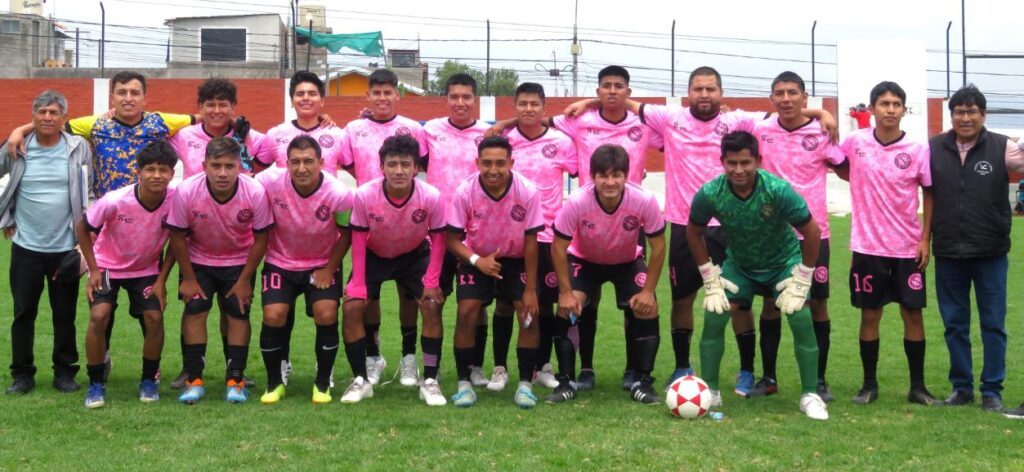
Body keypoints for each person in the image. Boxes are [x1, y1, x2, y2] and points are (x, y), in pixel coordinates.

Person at [565, 67, 833, 393]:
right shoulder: (669, 117)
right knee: (683, 298)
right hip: (684, 224)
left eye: (710, 89)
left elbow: (783, 110)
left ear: (721, 93)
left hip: (729, 225)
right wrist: (591, 101)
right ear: (688, 93)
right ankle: (681, 366)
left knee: (737, 301)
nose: (704, 94)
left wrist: (819, 112)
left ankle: (746, 370)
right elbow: (622, 101)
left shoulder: (739, 122)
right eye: (698, 89)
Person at [491, 66, 663, 390]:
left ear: (628, 91)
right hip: (586, 222)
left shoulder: (643, 124)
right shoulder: (579, 120)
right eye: (606, 86)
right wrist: (504, 124)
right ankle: (583, 369)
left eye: (618, 86)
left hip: (628, 219)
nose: (612, 91)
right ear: (598, 91)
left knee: (636, 304)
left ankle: (635, 371)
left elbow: (677, 133)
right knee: (582, 304)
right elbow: (536, 120)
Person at [690, 130, 828, 420]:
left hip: (782, 262)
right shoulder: (711, 192)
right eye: (731, 163)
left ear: (758, 161)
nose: (738, 169)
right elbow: (693, 230)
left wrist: (803, 277)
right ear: (722, 162)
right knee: (715, 312)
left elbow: (812, 232)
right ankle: (711, 391)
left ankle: (810, 394)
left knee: (801, 317)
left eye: (745, 162)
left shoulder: (777, 189)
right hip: (740, 265)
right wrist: (708, 276)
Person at [836, 81, 940, 406]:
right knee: (870, 315)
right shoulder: (855, 142)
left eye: (897, 104)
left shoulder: (918, 149)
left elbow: (930, 191)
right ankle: (869, 385)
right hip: (867, 247)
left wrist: (925, 238)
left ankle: (918, 387)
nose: (891, 109)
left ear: (904, 110)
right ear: (872, 109)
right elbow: (837, 164)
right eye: (884, 104)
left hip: (909, 248)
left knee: (913, 314)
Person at [166, 77, 271, 390]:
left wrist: (323, 121)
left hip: (238, 243)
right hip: (199, 238)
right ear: (199, 108)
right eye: (209, 104)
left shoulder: (251, 137)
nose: (216, 110)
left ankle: (234, 371)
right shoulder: (184, 136)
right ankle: (191, 370)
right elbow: (148, 130)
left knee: (234, 310)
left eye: (222, 104)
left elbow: (286, 152)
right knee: (195, 307)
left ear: (233, 108)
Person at [929, 85, 1024, 413]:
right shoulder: (933, 148)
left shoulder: (1002, 147)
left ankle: (992, 390)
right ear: (951, 115)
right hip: (948, 252)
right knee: (954, 323)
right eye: (959, 112)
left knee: (993, 324)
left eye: (972, 112)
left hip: (991, 251)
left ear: (983, 115)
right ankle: (961, 388)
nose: (965, 117)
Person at [750, 72, 845, 401]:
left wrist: (825, 117)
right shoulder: (760, 130)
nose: (786, 98)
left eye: (793, 93)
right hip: (771, 236)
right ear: (772, 98)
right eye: (780, 93)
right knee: (770, 304)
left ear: (805, 98)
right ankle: (768, 377)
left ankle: (819, 380)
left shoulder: (821, 131)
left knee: (817, 303)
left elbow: (844, 168)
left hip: (813, 235)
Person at [548, 144, 665, 404]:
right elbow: (558, 246)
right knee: (567, 308)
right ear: (592, 177)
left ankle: (643, 381)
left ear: (627, 176)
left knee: (649, 307)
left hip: (626, 261)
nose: (610, 182)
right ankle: (566, 381)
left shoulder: (643, 200)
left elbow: (658, 247)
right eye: (603, 176)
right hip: (585, 260)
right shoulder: (578, 201)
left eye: (616, 175)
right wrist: (565, 293)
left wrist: (647, 292)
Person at [256, 71, 348, 389]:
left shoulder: (338, 135)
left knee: (325, 313)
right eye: (300, 93)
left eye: (312, 93)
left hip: (323, 233)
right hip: (284, 239)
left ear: (322, 100)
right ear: (292, 99)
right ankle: (280, 366)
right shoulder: (275, 136)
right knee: (277, 313)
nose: (306, 98)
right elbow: (252, 174)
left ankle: (325, 375)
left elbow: (359, 165)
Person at [338, 69, 430, 388]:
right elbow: (350, 164)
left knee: (410, 296)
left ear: (397, 95)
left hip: (407, 228)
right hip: (371, 228)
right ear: (368, 96)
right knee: (367, 297)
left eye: (387, 92)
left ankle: (408, 358)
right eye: (375, 92)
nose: (381, 98)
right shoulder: (354, 128)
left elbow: (424, 166)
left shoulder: (412, 129)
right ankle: (373, 356)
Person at [340, 135, 447, 406]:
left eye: (405, 164)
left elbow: (439, 241)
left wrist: (432, 281)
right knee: (352, 306)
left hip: (413, 255)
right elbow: (358, 239)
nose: (398, 171)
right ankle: (361, 379)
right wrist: (359, 283)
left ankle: (430, 379)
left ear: (416, 168)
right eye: (392, 164)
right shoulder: (365, 195)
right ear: (381, 167)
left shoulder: (431, 196)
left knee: (431, 304)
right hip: (375, 255)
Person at [485, 82, 577, 393]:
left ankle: (543, 366)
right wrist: (503, 125)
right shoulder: (504, 140)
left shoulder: (560, 142)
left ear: (543, 107)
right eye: (522, 104)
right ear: (514, 107)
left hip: (549, 234)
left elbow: (579, 170)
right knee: (506, 305)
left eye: (534, 104)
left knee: (544, 305)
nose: (528, 109)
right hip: (509, 237)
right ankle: (499, 367)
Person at [1, 90, 91, 395]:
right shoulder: (17, 146)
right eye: (41, 112)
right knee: (24, 312)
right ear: (33, 116)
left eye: (53, 113)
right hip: (26, 247)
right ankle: (22, 375)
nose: (47, 118)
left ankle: (65, 372)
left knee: (64, 314)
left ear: (64, 117)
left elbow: (87, 191)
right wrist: (6, 216)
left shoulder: (79, 148)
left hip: (65, 247)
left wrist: (84, 239)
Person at [76, 140, 177, 408]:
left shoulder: (176, 201)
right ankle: (96, 382)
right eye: (150, 169)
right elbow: (82, 228)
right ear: (138, 172)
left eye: (163, 170)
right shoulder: (115, 200)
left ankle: (148, 379)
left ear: (172, 174)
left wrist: (162, 280)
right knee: (99, 315)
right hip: (108, 267)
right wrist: (94, 269)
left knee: (154, 317)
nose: (157, 175)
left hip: (145, 270)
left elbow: (178, 242)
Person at [446, 136, 542, 408]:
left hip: (516, 260)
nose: (493, 170)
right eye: (486, 163)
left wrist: (531, 289)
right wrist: (478, 261)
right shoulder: (465, 191)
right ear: (477, 163)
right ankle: (464, 384)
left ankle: (525, 385)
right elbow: (452, 240)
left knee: (528, 313)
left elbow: (532, 242)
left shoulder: (527, 191)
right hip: (476, 258)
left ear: (511, 163)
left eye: (500, 163)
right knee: (466, 311)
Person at [6, 71, 195, 197]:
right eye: (122, 92)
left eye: (134, 93)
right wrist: (20, 130)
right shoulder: (95, 124)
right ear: (112, 98)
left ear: (144, 99)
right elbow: (54, 124)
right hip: (105, 209)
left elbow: (205, 118)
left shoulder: (161, 122)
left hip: (150, 207)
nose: (128, 98)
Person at [422, 73, 494, 389]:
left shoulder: (488, 133)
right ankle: (431, 370)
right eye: (454, 97)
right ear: (446, 99)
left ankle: (474, 366)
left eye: (466, 97)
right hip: (437, 233)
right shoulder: (430, 131)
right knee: (432, 302)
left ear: (474, 99)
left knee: (474, 307)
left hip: (474, 236)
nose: (460, 103)